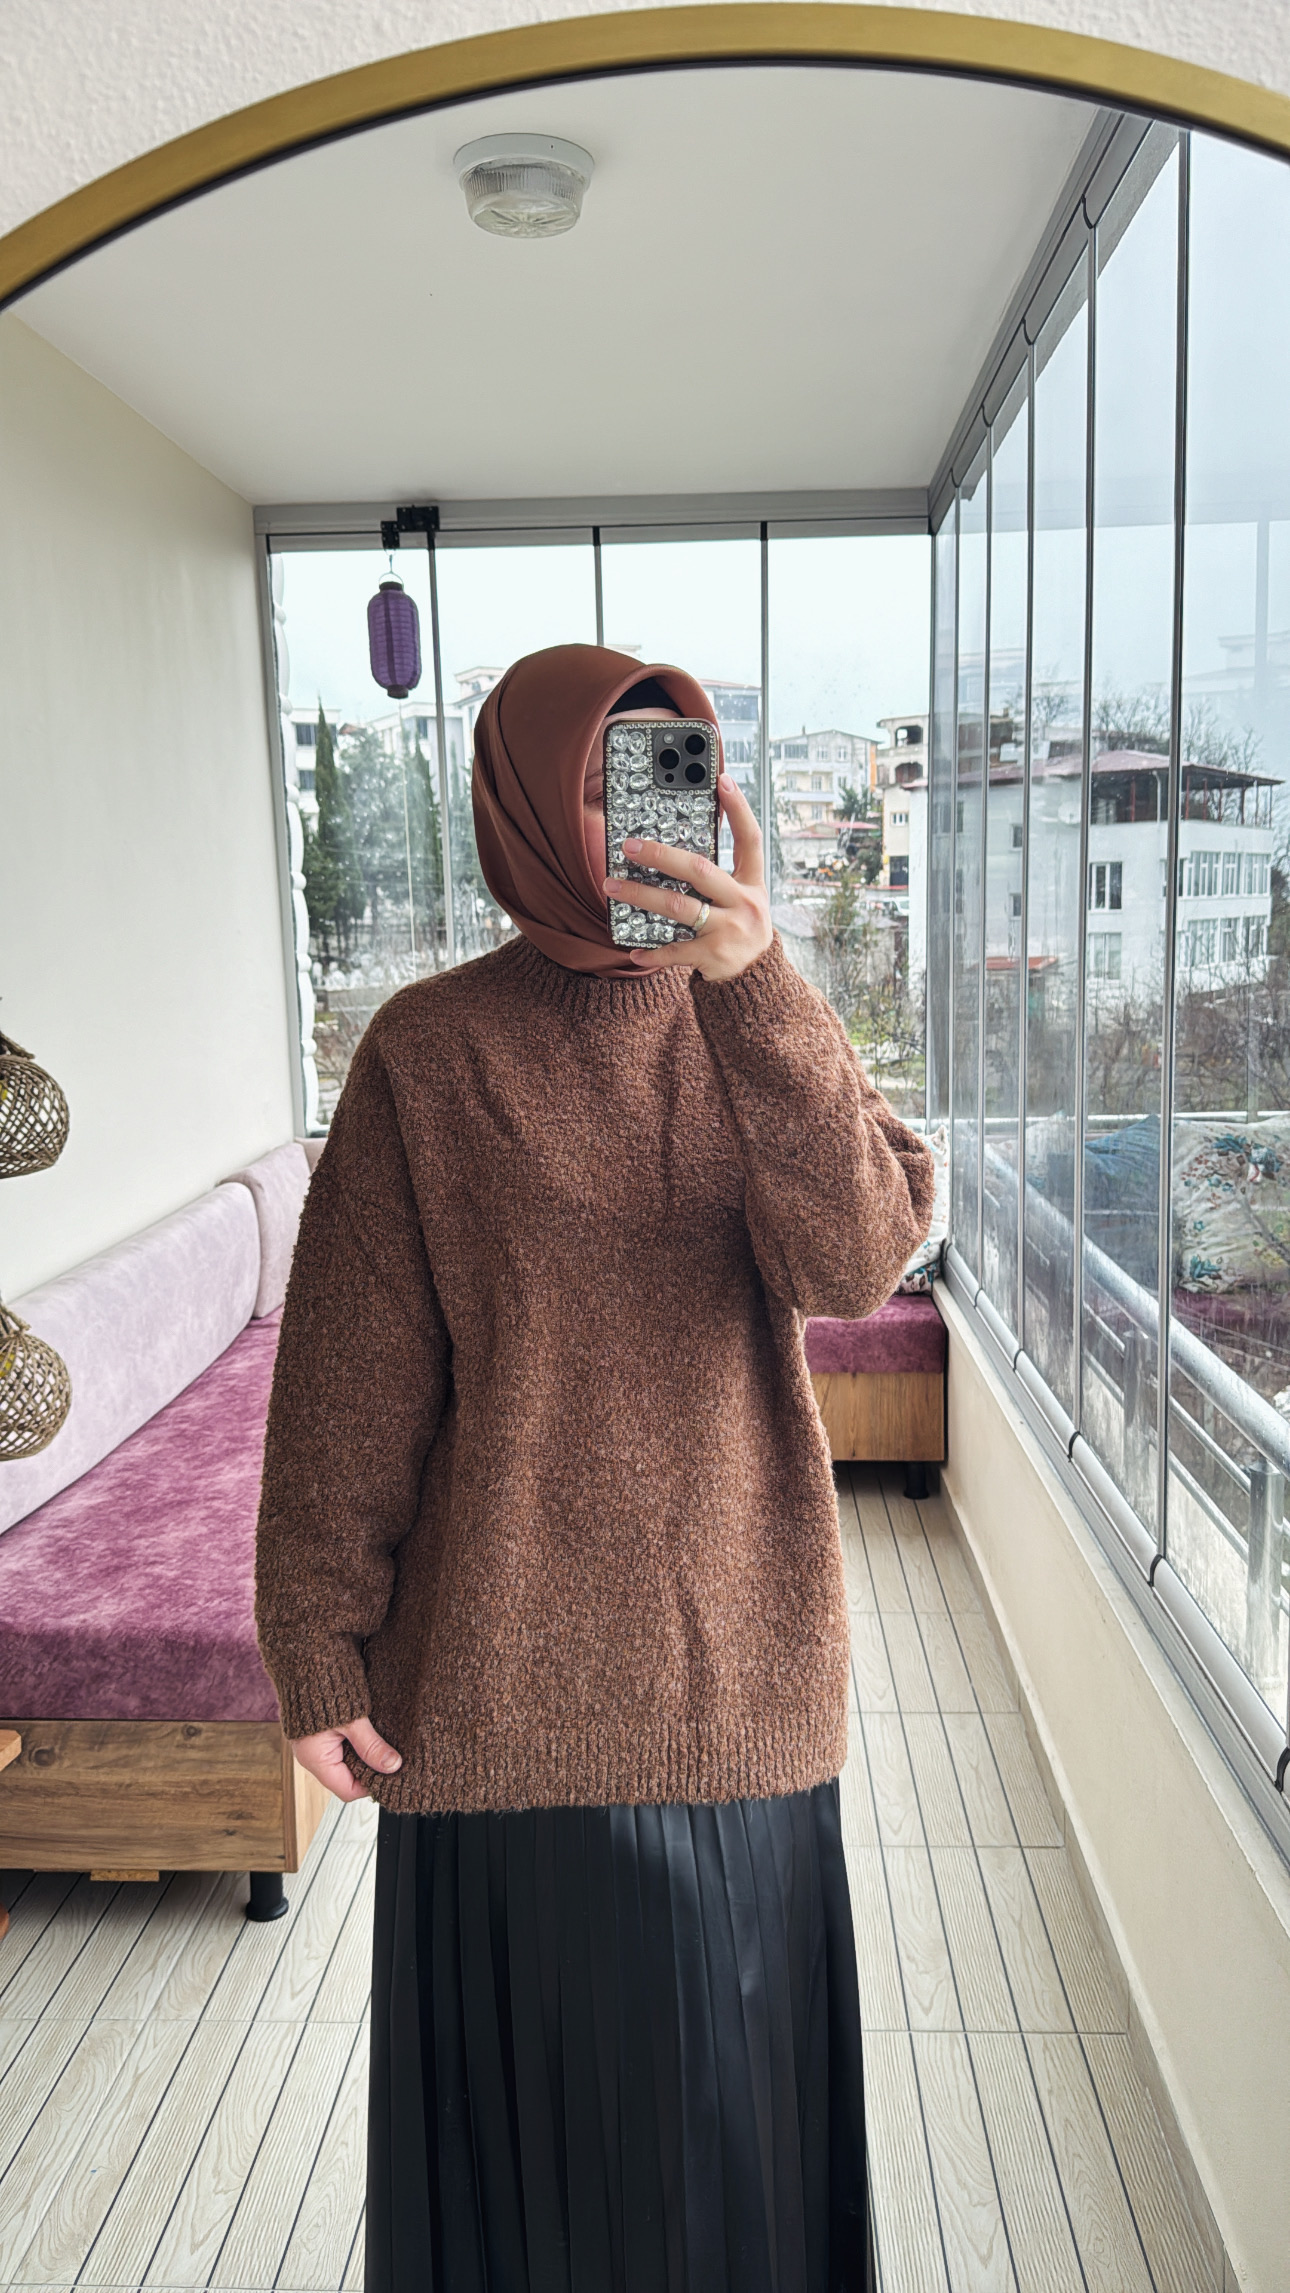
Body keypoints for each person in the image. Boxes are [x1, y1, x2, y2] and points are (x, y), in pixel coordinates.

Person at [255, 643, 933, 2293]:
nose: (643, 816)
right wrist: (312, 1639)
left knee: (735, 2191)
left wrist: (755, 988)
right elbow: (349, 1383)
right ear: (516, 804)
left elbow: (856, 1261)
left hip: (740, 1688)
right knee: (526, 2207)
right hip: (496, 1706)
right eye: (602, 779)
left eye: (676, 768)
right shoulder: (427, 1052)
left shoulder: (758, 1018)